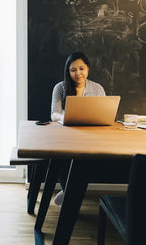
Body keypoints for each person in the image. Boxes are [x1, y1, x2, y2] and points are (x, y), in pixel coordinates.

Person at [50, 51, 105, 205]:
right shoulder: (60, 88)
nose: (78, 73)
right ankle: (70, 191)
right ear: (68, 71)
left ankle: (69, 191)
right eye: (73, 70)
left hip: (90, 135)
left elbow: (103, 112)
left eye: (81, 69)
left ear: (88, 69)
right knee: (61, 157)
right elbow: (54, 114)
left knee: (88, 159)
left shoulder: (98, 89)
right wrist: (67, 117)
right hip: (66, 134)